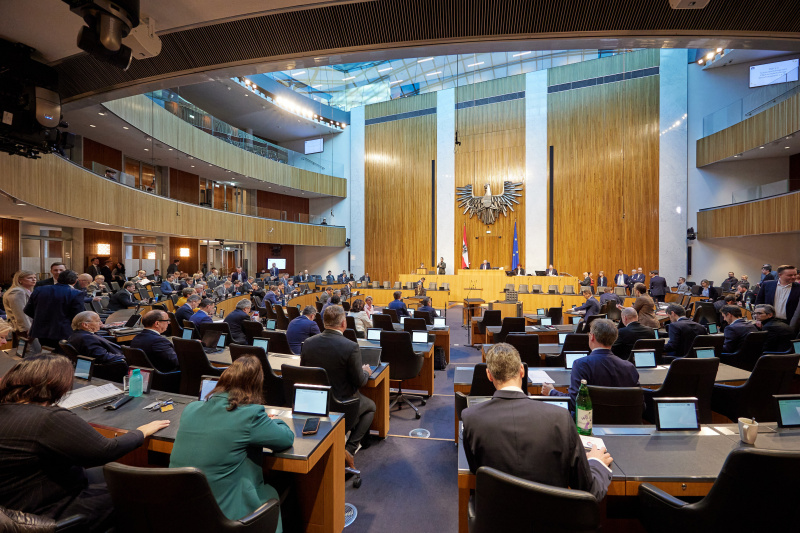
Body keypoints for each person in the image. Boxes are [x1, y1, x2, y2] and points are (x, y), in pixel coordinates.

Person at [0, 355, 169, 532]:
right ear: (55, 383)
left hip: (13, 505)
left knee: (107, 474)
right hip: (44, 512)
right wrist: (141, 432)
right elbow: (106, 450)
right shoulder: (47, 418)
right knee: (140, 490)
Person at [461, 344, 612, 501]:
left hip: (496, 520)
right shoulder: (560, 418)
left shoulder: (471, 417)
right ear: (522, 371)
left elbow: (476, 469)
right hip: (550, 522)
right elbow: (589, 492)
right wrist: (596, 463)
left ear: (489, 375)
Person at [169, 356, 294, 529]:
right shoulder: (251, 415)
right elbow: (285, 439)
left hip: (181, 511)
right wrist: (274, 421)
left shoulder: (190, 409)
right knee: (278, 489)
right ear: (255, 386)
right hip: (228, 516)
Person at [301, 306, 375, 456]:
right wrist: (366, 372)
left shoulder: (308, 342)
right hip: (342, 403)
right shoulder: (351, 346)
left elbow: (305, 373)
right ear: (343, 324)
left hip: (315, 403)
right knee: (371, 406)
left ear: (324, 322)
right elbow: (360, 381)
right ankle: (349, 449)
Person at [543, 319, 640, 409]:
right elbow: (640, 404)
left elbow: (574, 402)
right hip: (623, 424)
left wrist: (552, 392)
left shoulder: (581, 364)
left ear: (592, 336)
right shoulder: (629, 367)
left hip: (587, 424)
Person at [24, 270, 84, 351]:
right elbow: (77, 316)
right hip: (63, 331)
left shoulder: (39, 289)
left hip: (41, 330)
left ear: (58, 279)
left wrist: (41, 318)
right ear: (75, 281)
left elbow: (27, 310)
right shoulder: (76, 293)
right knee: (59, 358)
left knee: (46, 353)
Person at [67, 312, 128, 381]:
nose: (101, 323)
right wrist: (126, 357)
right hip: (110, 369)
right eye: (97, 321)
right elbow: (102, 357)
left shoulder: (76, 335)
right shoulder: (87, 338)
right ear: (85, 325)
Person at [3, 270, 41, 354]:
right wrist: (28, 329)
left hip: (28, 327)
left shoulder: (24, 290)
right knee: (31, 353)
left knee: (30, 352)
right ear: (20, 280)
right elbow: (20, 313)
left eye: (34, 278)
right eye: (29, 278)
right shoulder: (18, 292)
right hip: (25, 329)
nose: (34, 280)